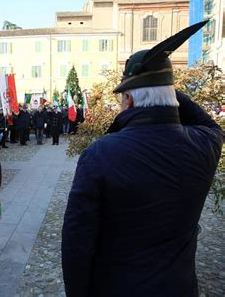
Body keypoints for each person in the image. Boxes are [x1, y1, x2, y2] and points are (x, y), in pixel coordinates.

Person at [61, 21, 223, 297]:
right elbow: (210, 124)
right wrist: (163, 83)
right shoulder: (204, 144)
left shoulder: (100, 155)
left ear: (129, 101)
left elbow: (77, 243)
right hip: (179, 288)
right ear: (172, 95)